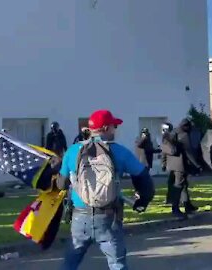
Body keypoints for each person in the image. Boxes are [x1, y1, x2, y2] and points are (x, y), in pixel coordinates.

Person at [56, 109, 154, 270]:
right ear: (106, 128)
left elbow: (61, 184)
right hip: (109, 217)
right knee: (117, 264)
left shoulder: (73, 151)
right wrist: (142, 201)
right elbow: (143, 177)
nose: (115, 130)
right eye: (114, 126)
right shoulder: (120, 152)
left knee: (70, 263)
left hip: (80, 217)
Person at [162, 118, 201, 219]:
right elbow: (188, 152)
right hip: (180, 165)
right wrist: (197, 165)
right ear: (186, 126)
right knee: (179, 186)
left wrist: (164, 163)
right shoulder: (183, 135)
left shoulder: (173, 132)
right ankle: (175, 209)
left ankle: (187, 205)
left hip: (171, 164)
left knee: (183, 186)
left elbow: (164, 150)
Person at [161, 122, 175, 204]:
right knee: (174, 182)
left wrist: (163, 164)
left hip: (171, 163)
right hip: (175, 162)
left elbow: (164, 152)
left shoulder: (166, 138)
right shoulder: (174, 137)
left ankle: (171, 199)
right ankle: (172, 198)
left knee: (171, 182)